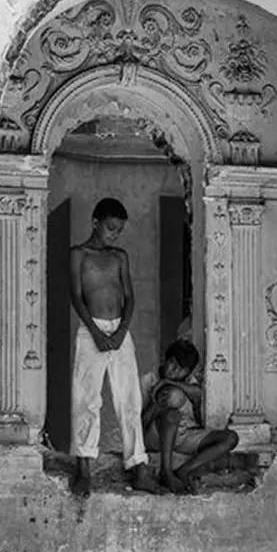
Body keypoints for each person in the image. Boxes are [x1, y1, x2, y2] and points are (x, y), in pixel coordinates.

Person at [69, 197, 160, 498]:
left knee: (129, 398)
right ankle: (84, 464)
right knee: (87, 398)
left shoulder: (119, 256)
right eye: (110, 228)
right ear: (95, 222)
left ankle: (138, 466)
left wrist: (121, 330)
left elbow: (129, 296)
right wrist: (95, 331)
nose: (114, 235)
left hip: (120, 330)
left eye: (119, 230)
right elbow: (77, 296)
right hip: (90, 330)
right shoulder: (79, 254)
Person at [141, 339, 239, 493]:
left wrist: (169, 383)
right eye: (172, 364)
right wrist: (158, 404)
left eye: (181, 369)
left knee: (230, 438)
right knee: (172, 413)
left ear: (188, 372)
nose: (174, 371)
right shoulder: (148, 380)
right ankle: (166, 472)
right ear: (164, 360)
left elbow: (198, 396)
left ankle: (185, 471)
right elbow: (141, 422)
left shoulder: (188, 381)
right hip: (157, 435)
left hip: (185, 435)